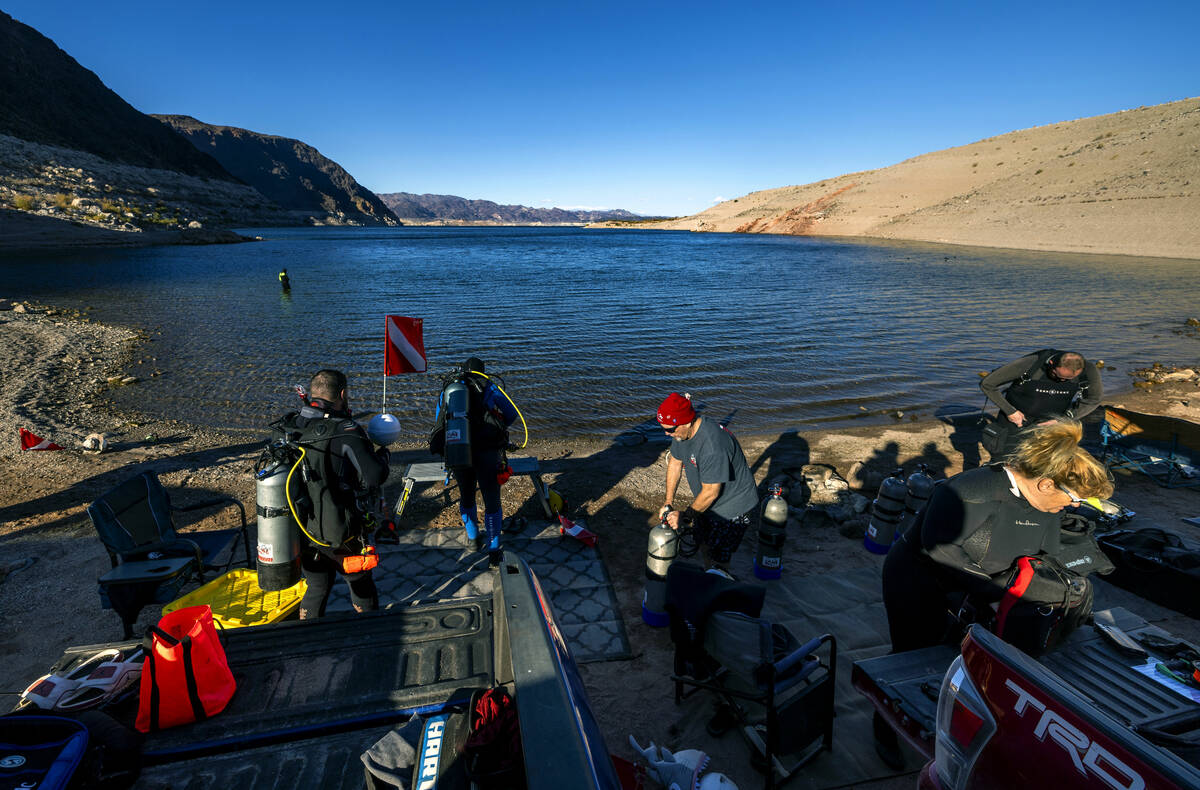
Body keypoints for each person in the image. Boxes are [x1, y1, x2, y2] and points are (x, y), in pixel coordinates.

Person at [873, 420, 1113, 765]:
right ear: (1046, 483)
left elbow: (1042, 553)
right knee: (911, 655)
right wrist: (998, 590)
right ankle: (883, 729)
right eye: (1074, 498)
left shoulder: (1045, 504)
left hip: (977, 583)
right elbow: (941, 550)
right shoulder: (969, 489)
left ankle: (956, 724)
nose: (1075, 505)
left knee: (964, 657)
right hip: (918, 578)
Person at [280, 369, 389, 619]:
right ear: (343, 394)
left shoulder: (291, 425)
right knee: (361, 584)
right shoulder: (345, 430)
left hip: (300, 530)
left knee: (317, 586)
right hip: (342, 532)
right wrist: (383, 455)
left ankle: (309, 637)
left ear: (312, 393)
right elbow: (374, 477)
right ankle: (369, 631)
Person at [656, 392, 759, 573]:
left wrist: (685, 517)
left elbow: (711, 492)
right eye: (663, 428)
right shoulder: (681, 434)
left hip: (733, 507)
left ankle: (719, 584)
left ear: (687, 422)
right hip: (707, 503)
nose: (667, 433)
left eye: (670, 429)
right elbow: (675, 462)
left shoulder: (712, 445)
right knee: (704, 543)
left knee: (719, 559)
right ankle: (708, 572)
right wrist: (668, 502)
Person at [433, 357, 518, 563]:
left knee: (467, 496)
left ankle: (472, 540)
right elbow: (511, 414)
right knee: (491, 501)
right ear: (482, 372)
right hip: (487, 452)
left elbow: (439, 418)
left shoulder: (451, 390)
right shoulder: (489, 386)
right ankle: (494, 549)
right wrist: (497, 423)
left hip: (459, 449)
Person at [979, 349, 1102, 457]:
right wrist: (1010, 411)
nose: (1061, 381)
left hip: (1052, 424)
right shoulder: (1031, 363)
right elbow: (987, 384)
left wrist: (1064, 419)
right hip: (1015, 420)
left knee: (1043, 465)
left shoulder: (1089, 370)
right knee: (1004, 459)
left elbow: (1094, 399)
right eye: (1058, 376)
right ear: (1051, 363)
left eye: (1067, 380)